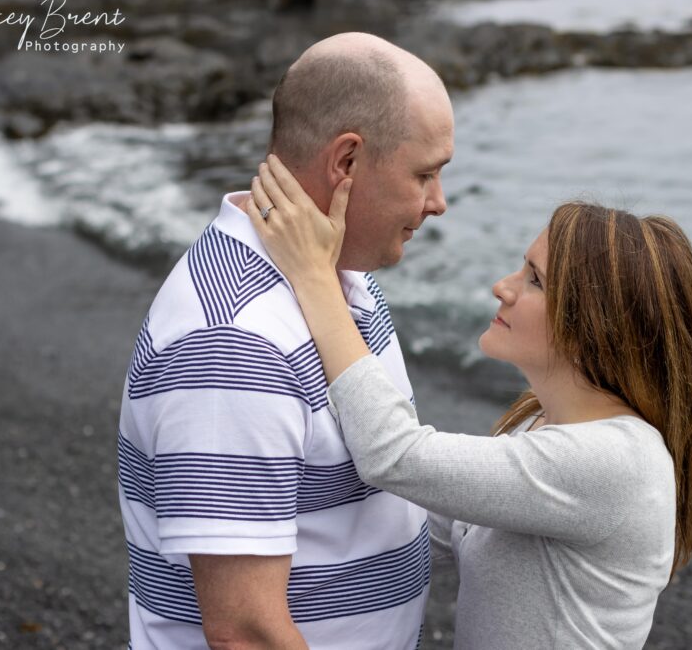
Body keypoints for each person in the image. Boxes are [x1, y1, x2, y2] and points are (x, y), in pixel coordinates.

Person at [246, 156, 692, 649]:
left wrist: (316, 277)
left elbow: (395, 455)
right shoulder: (539, 423)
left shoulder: (613, 462)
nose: (503, 287)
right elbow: (427, 512)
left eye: (534, 280)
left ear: (595, 327)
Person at [116, 33, 454, 649]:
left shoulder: (340, 279)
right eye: (425, 174)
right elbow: (246, 632)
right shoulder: (231, 343)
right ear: (346, 162)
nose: (439, 203)